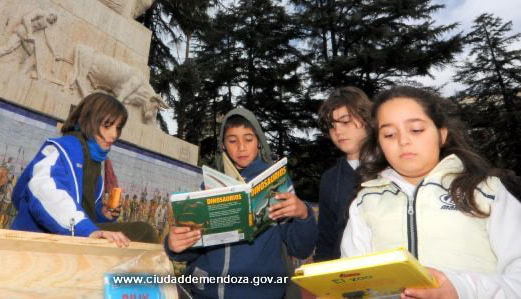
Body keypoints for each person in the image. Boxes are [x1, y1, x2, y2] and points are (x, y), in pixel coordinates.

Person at [341, 86, 521, 298]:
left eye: (416, 130)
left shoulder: (487, 191)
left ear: (442, 134)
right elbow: (353, 282)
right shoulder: (365, 202)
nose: (403, 141)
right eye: (389, 134)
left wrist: (460, 289)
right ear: (379, 145)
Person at [165, 108, 317, 298]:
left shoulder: (277, 183)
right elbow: (192, 249)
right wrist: (174, 245)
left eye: (248, 139)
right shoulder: (209, 186)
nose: (241, 147)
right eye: (232, 141)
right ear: (223, 145)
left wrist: (304, 214)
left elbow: (300, 248)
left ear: (259, 142)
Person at [10, 92, 158, 247]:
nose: (114, 134)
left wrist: (103, 214)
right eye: (107, 126)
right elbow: (45, 190)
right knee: (144, 232)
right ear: (88, 121)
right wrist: (86, 230)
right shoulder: (66, 147)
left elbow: (85, 210)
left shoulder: (94, 160)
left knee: (141, 233)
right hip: (41, 239)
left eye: (118, 127)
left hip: (73, 235)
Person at [314, 87, 371, 261]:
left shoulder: (392, 168)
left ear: (366, 120)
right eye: (332, 126)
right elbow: (326, 237)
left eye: (345, 122)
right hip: (345, 272)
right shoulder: (330, 179)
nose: (338, 132)